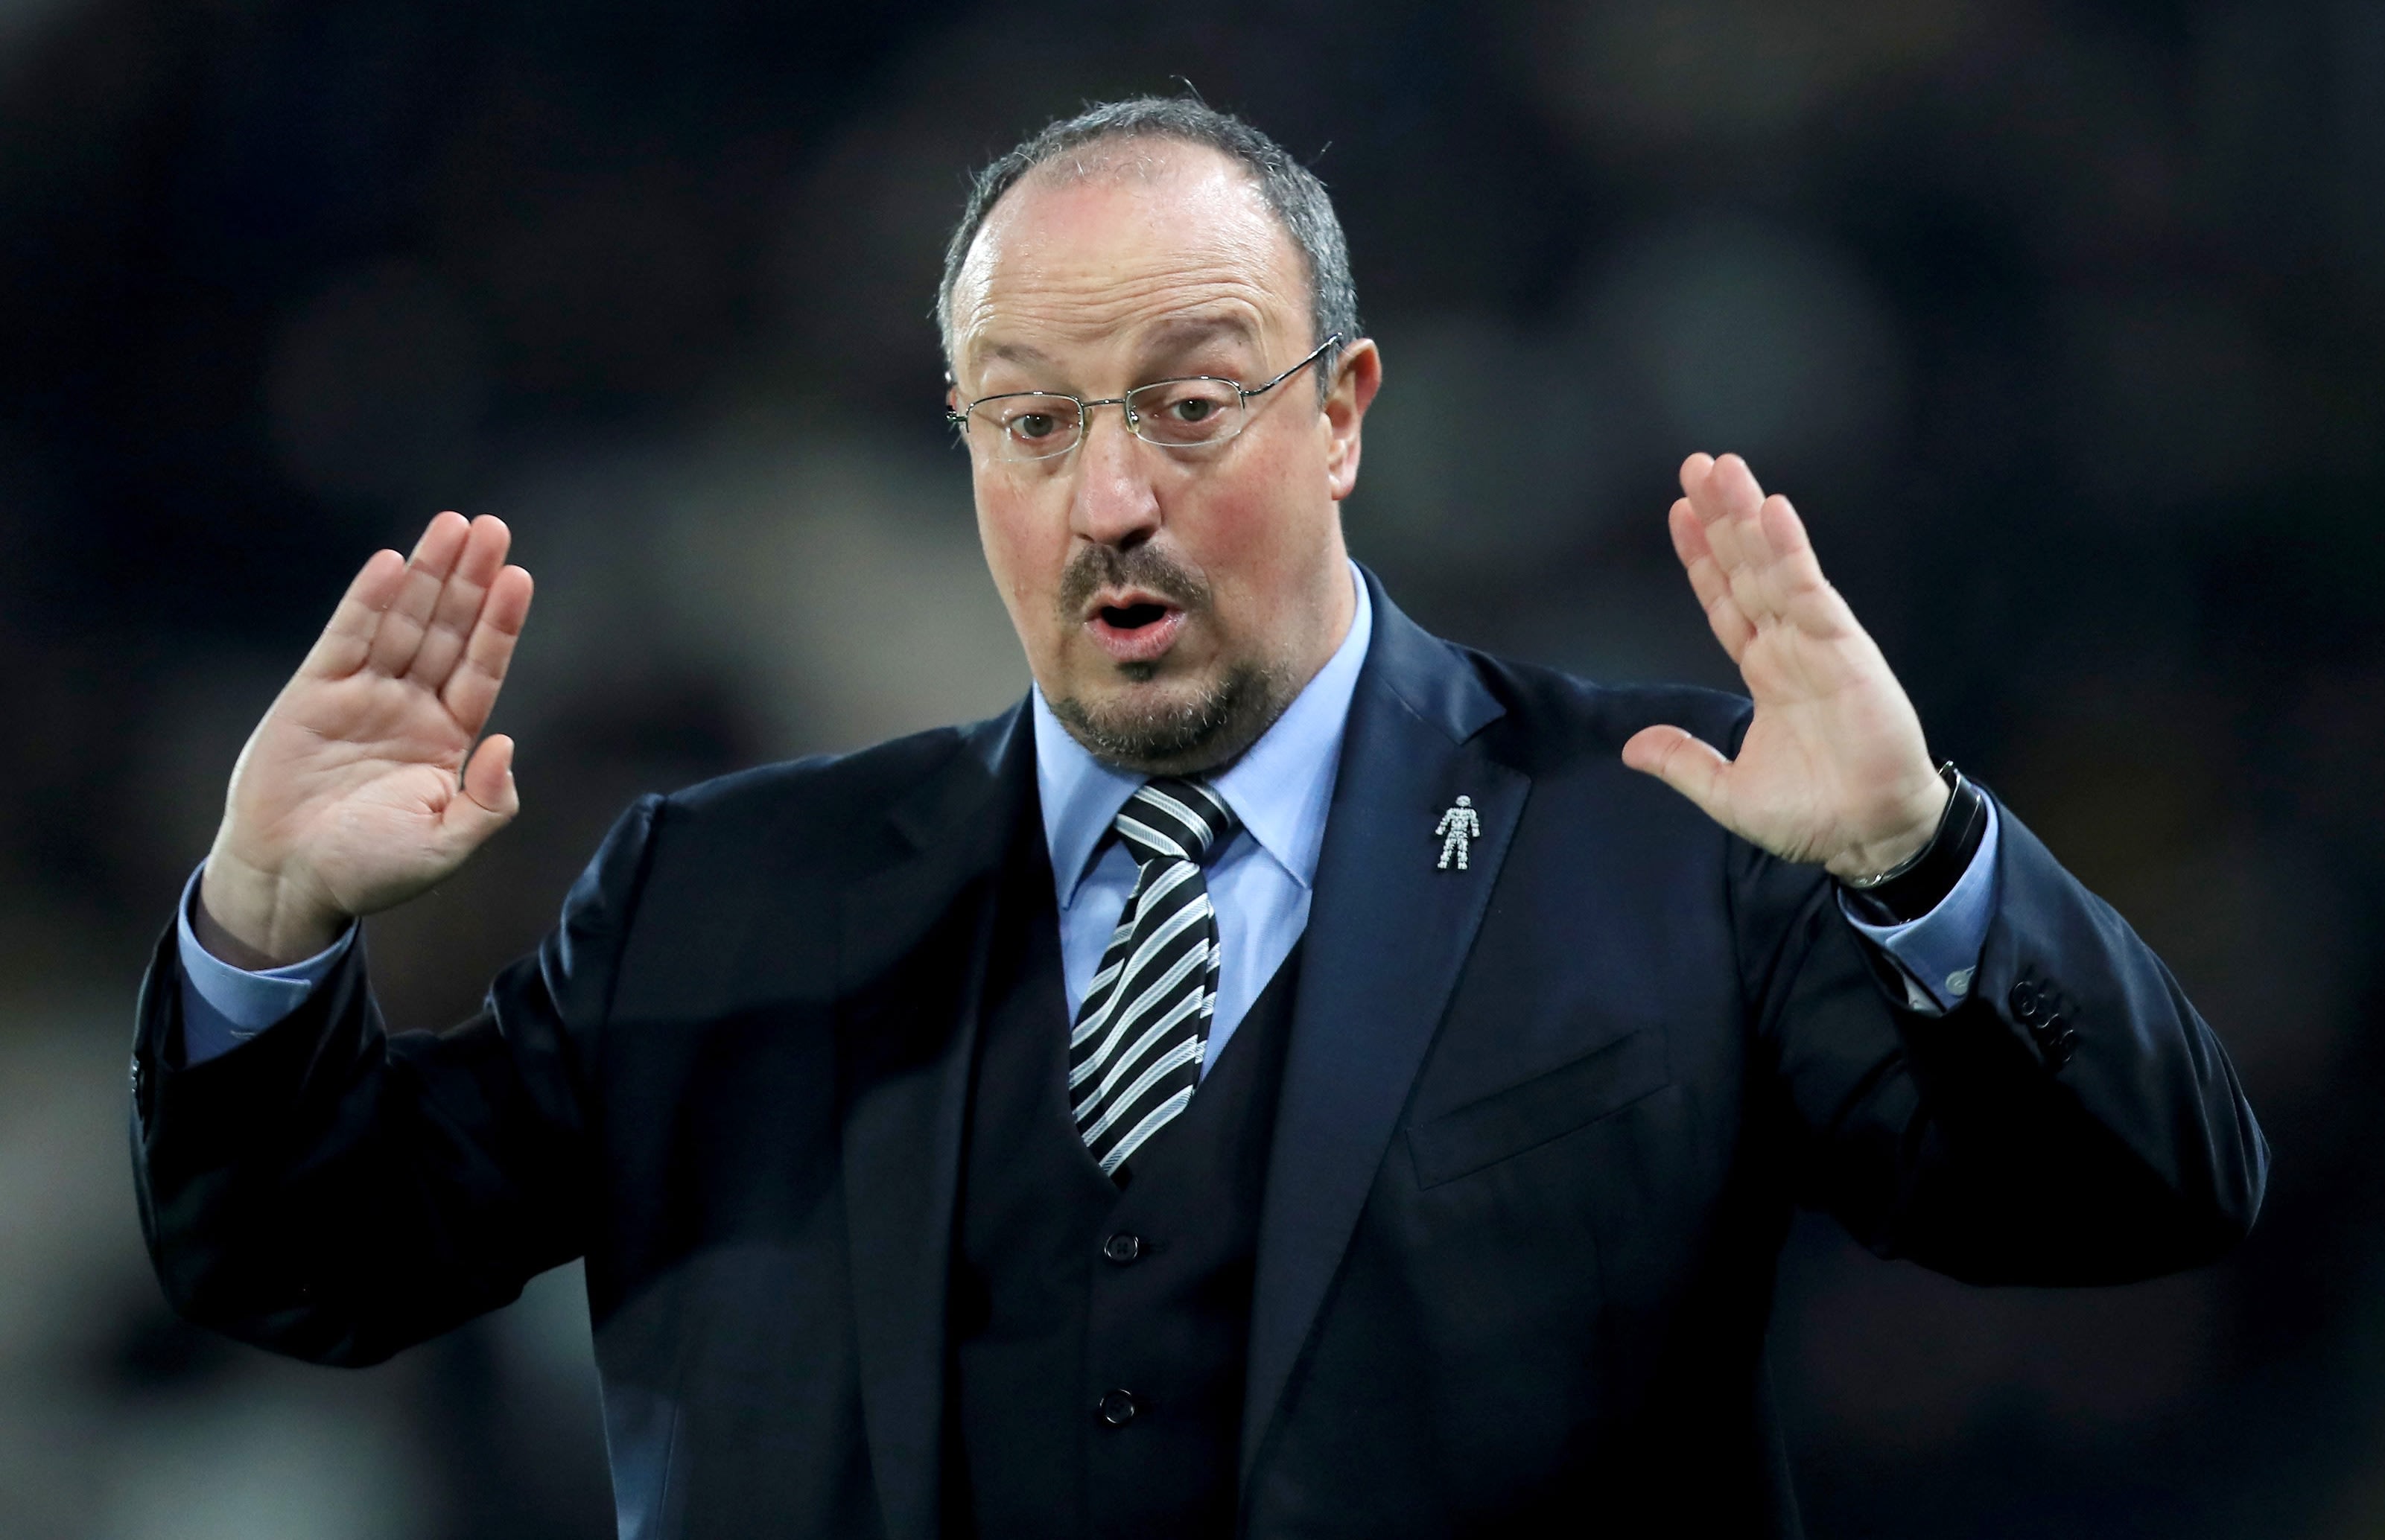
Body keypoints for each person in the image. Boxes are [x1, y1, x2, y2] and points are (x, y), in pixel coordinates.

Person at [130, 98, 2266, 1538]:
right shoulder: (718, 889)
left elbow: (2140, 1200)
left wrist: (1919, 858)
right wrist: (265, 923)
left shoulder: (1664, 831)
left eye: (1186, 399)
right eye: (1031, 421)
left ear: (1342, 411)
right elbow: (306, 1263)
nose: (1110, 497)